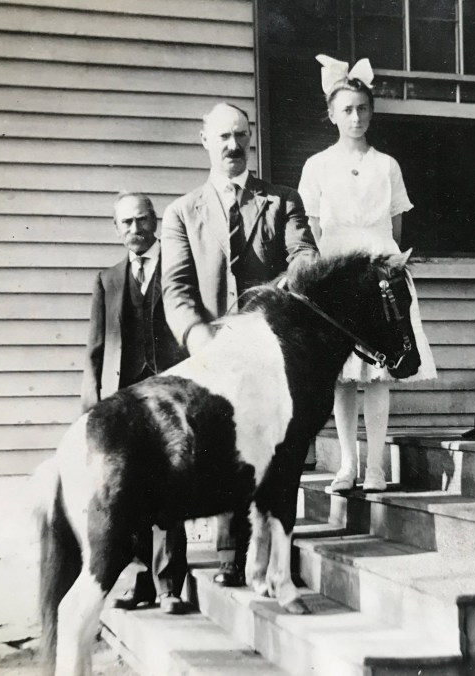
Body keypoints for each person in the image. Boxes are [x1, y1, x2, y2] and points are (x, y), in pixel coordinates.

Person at [161, 102, 318, 587]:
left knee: (279, 451)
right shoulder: (181, 212)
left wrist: (277, 298)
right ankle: (231, 557)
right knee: (225, 449)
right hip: (211, 354)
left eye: (241, 135)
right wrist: (203, 341)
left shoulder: (282, 200)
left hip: (270, 348)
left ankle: (277, 557)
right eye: (223, 137)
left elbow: (304, 256)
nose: (233, 146)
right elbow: (177, 288)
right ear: (204, 140)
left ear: (251, 139)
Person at [298, 55, 437, 494]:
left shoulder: (386, 165)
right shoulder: (317, 165)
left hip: (380, 268)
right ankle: (346, 465)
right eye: (347, 110)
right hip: (340, 271)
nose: (355, 117)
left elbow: (395, 227)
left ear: (371, 112)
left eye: (362, 109)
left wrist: (384, 262)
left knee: (380, 371)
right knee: (343, 375)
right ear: (332, 115)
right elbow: (314, 228)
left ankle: (375, 466)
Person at [81, 192, 189, 614]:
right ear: (116, 228)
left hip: (172, 393)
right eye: (125, 223)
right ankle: (143, 580)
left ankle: (170, 585)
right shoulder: (107, 280)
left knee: (172, 486)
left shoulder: (180, 269)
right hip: (125, 398)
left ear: (155, 221)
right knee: (133, 490)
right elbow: (95, 347)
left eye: (141, 221)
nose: (134, 230)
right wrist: (93, 405)